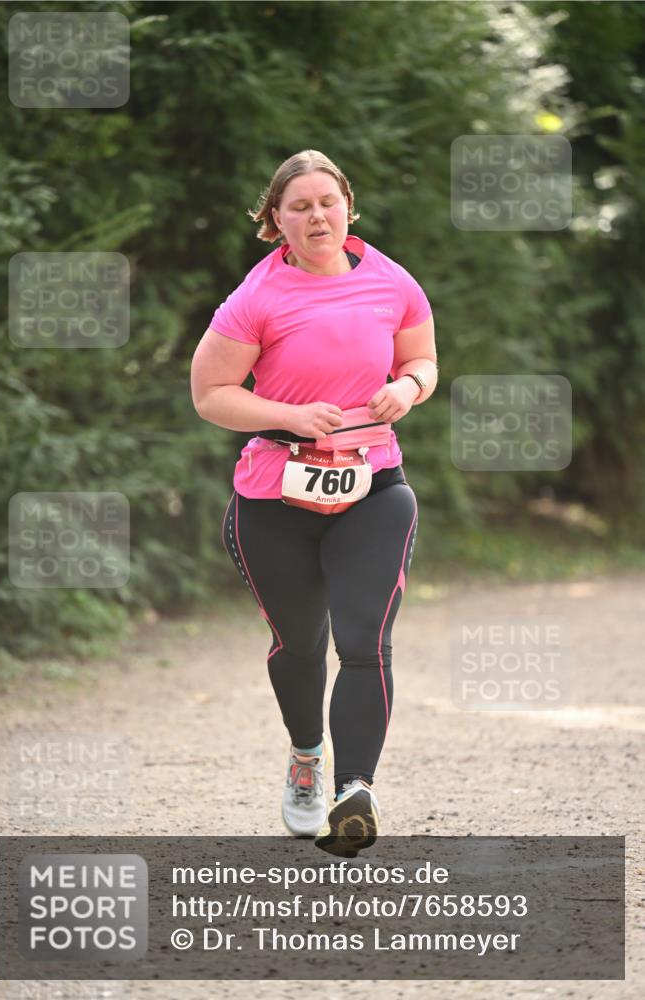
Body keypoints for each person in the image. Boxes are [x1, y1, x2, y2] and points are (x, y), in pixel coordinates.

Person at [191, 149, 437, 857]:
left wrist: (409, 388)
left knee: (363, 642)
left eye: (326, 201)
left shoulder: (391, 282)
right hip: (274, 495)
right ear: (275, 221)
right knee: (299, 646)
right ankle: (306, 756)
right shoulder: (256, 298)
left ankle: (353, 790)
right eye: (297, 206)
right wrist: (291, 417)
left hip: (373, 488)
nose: (315, 215)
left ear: (348, 208)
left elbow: (421, 359)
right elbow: (210, 396)